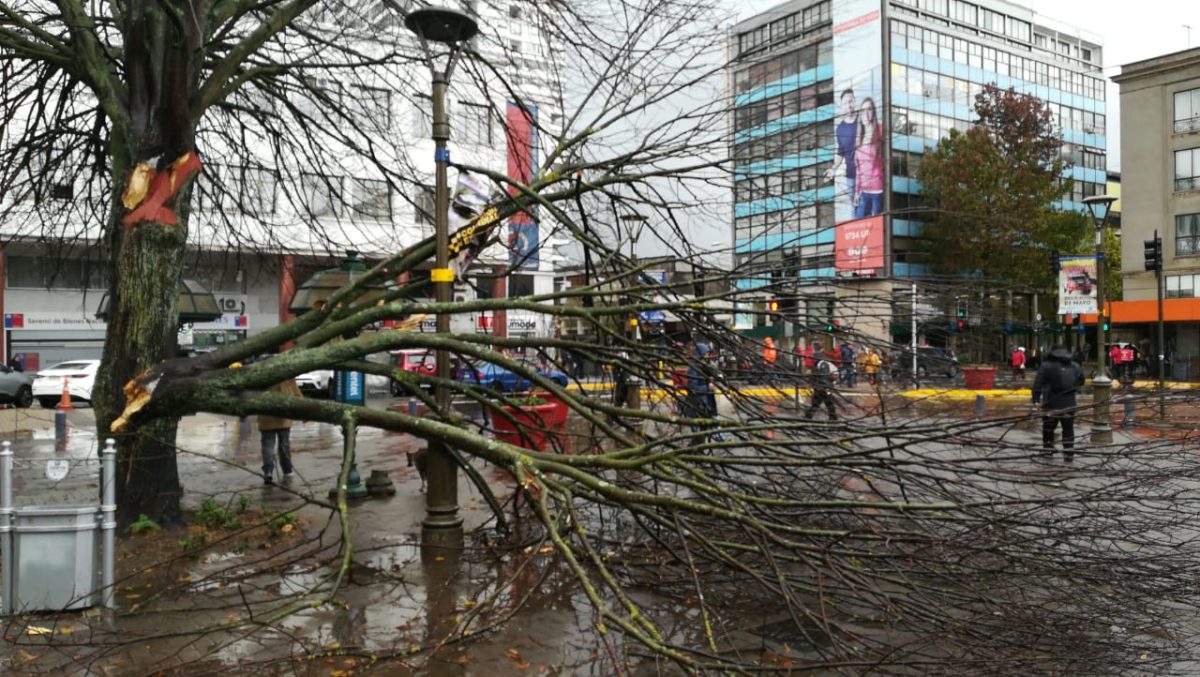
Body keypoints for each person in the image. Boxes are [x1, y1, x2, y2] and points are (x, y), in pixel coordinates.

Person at [1032, 345, 1085, 461]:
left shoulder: (1046, 365)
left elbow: (1038, 383)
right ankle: (1068, 454)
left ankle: (1048, 451)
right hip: (1069, 403)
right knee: (1068, 429)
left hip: (1050, 403)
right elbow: (1082, 381)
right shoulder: (1075, 365)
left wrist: (1036, 400)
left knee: (1048, 428)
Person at [259, 377, 303, 484]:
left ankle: (268, 472)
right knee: (284, 445)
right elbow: (296, 394)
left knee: (268, 446)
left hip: (266, 416)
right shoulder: (287, 377)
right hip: (283, 416)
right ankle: (287, 471)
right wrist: (304, 413)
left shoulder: (261, 375)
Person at [824, 89, 858, 222]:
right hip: (851, 175)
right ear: (842, 106)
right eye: (845, 103)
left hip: (867, 173)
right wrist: (833, 169)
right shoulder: (840, 129)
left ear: (854, 101)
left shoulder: (863, 121)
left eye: (851, 101)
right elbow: (840, 151)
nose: (849, 105)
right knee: (855, 207)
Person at [853, 97, 884, 218]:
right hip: (864, 191)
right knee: (858, 223)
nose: (866, 114)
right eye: (863, 110)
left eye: (869, 109)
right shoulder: (859, 138)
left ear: (873, 112)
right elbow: (858, 170)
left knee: (877, 227)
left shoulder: (880, 130)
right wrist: (857, 192)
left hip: (878, 190)